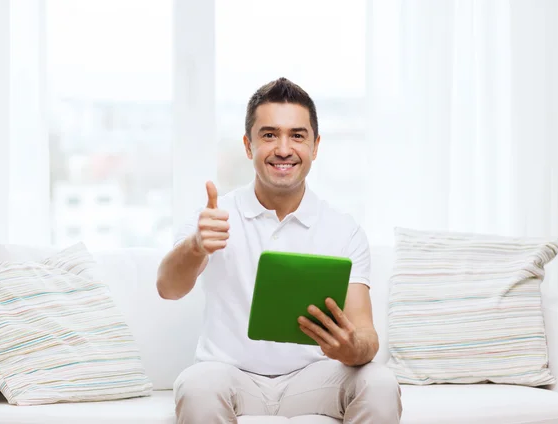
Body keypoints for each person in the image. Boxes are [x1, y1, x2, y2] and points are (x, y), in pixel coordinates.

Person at [156, 77, 402, 423]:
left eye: (297, 136)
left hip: (315, 378)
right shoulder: (212, 218)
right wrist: (196, 246)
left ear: (315, 146)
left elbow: (366, 335)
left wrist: (352, 349)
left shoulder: (343, 229)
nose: (283, 149)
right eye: (269, 135)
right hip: (230, 374)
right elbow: (168, 288)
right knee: (196, 385)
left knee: (379, 382)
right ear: (248, 145)